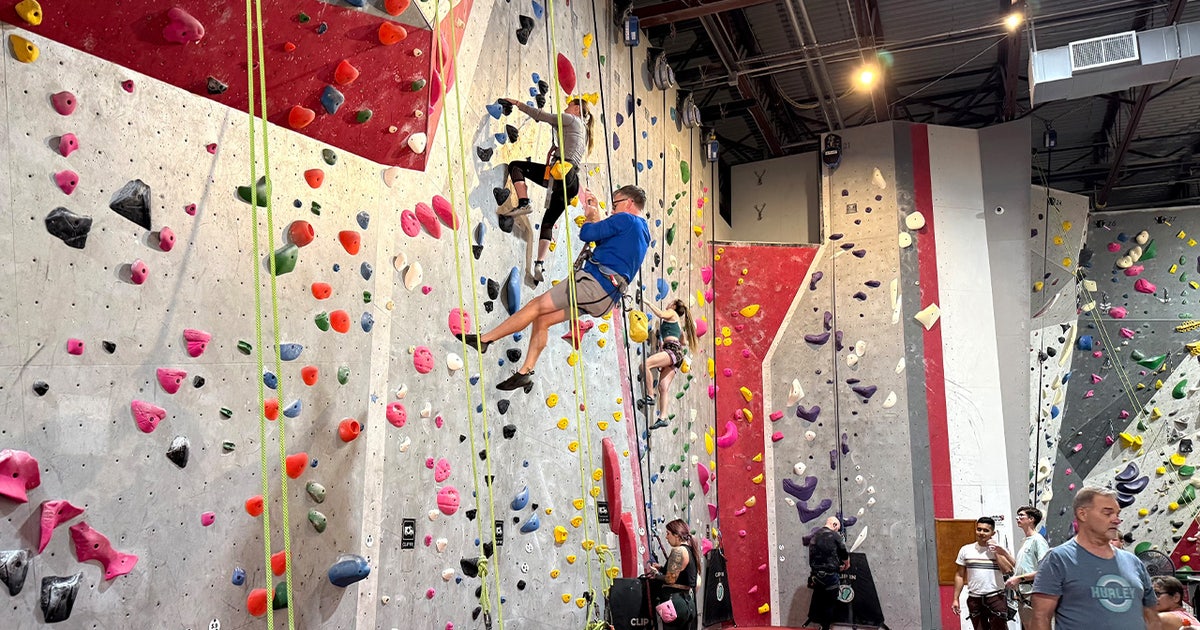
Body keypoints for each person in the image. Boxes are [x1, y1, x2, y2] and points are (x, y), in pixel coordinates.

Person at [458, 185, 650, 392]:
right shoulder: (643, 233)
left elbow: (587, 234)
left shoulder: (626, 220)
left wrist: (590, 216)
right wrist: (598, 217)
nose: (613, 210)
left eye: (616, 204)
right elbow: (607, 243)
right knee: (544, 319)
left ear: (629, 203)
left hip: (594, 285)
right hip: (605, 298)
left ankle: (485, 340)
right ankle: (525, 373)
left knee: (536, 305)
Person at [1030, 486, 1161, 630]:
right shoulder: (1058, 559)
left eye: (1117, 514)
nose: (1116, 520)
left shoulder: (1134, 562)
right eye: (1107, 513)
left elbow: (1151, 616)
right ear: (1082, 514)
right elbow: (1040, 617)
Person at [497, 96, 595, 285]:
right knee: (548, 223)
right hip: (571, 182)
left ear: (577, 109)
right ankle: (539, 265)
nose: (566, 108)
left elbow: (540, 115)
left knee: (515, 166)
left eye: (569, 105)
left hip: (560, 174)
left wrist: (517, 104)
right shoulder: (583, 130)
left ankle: (524, 202)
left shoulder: (571, 119)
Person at [640, 298, 698, 430]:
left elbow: (660, 314)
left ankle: (650, 395)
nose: (668, 304)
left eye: (671, 303)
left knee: (646, 365)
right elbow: (683, 342)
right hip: (676, 353)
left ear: (673, 305)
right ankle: (663, 417)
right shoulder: (677, 323)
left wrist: (648, 302)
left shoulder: (671, 313)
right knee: (663, 387)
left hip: (672, 350)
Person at [953, 516, 1016, 630]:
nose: (981, 533)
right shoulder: (966, 550)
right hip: (974, 598)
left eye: (986, 530)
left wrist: (996, 552)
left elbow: (1007, 570)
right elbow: (959, 575)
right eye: (979, 529)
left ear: (993, 533)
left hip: (996, 597)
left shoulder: (1001, 550)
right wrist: (956, 598)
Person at [645, 519, 700, 630]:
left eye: (668, 533)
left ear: (676, 535)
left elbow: (670, 579)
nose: (666, 537)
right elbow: (681, 573)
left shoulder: (678, 551)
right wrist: (660, 568)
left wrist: (655, 576)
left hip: (674, 603)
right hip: (687, 603)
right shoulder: (690, 550)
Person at [1005, 505, 1050, 627]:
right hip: (1022, 593)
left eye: (1021, 515)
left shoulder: (1038, 541)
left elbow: (1045, 570)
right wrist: (1003, 553)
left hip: (1033, 593)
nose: (1017, 518)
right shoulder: (1025, 541)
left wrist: (1019, 578)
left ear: (1031, 519)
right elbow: (1020, 567)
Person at [805, 516, 851, 630]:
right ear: (834, 525)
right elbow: (843, 553)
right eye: (837, 528)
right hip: (830, 576)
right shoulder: (835, 536)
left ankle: (817, 623)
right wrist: (846, 564)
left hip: (816, 576)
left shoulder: (814, 536)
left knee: (819, 600)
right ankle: (825, 627)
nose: (837, 531)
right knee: (830, 604)